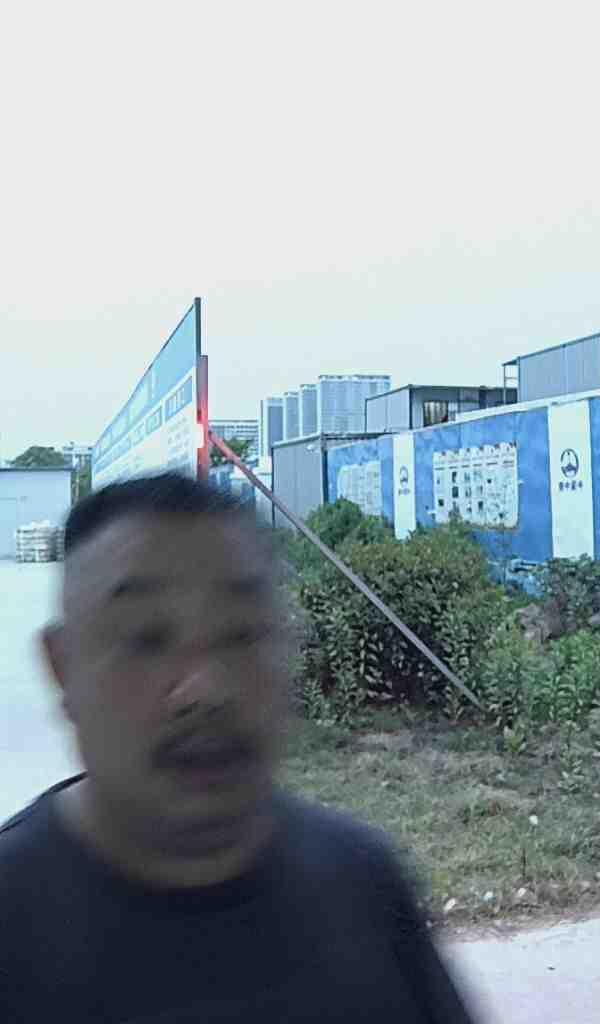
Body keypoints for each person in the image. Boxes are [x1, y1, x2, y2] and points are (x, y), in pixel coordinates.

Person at [0, 473, 475, 1022]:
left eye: (242, 634)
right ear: (62, 668)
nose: (204, 690)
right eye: (145, 639)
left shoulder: (363, 883)